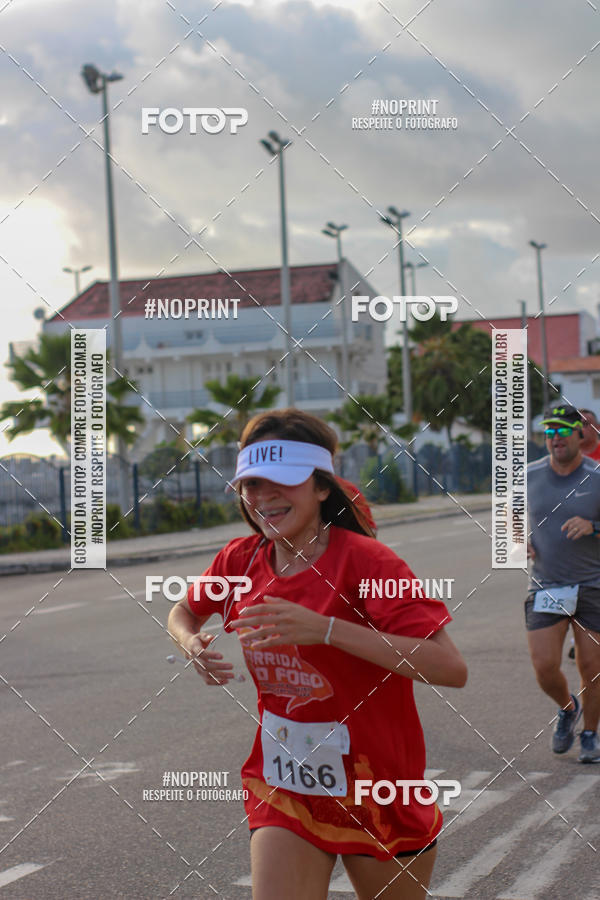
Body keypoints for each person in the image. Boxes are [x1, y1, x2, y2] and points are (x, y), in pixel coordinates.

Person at [168, 409, 466, 900]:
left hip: (378, 788)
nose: (263, 497)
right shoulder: (240, 560)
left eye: (281, 482)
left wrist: (328, 630)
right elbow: (183, 611)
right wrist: (191, 645)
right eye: (251, 484)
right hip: (286, 783)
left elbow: (450, 668)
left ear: (322, 487)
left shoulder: (367, 562)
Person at [526, 404, 600, 763]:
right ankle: (568, 707)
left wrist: (593, 527)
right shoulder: (529, 475)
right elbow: (508, 521)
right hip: (548, 585)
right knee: (544, 667)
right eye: (549, 432)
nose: (554, 438)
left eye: (562, 431)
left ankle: (589, 735)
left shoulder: (596, 475)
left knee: (591, 666)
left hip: (593, 585)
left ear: (579, 434)